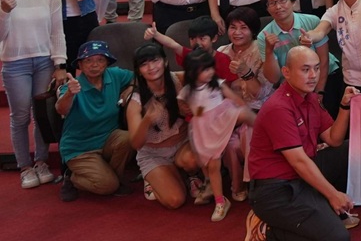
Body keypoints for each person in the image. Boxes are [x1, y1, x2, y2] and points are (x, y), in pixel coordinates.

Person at [243, 46, 358, 241]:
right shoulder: (278, 107)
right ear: (286, 72)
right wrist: (333, 195)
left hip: (300, 176)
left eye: (316, 68)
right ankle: (267, 233)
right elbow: (298, 161)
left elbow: (333, 139)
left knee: (349, 150)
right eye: (305, 69)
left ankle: (321, 208)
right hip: (276, 190)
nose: (313, 75)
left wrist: (344, 106)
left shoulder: (311, 98)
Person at [0, 0, 68, 189]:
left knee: (42, 115)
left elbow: (57, 32)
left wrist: (59, 63)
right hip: (14, 63)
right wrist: (4, 12)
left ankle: (41, 161)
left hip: (44, 61)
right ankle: (24, 166)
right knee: (20, 116)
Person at [180, 46, 254, 222]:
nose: (210, 72)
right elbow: (190, 109)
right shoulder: (187, 91)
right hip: (206, 128)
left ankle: (269, 132)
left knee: (245, 114)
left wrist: (242, 107)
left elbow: (235, 100)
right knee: (213, 166)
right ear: (192, 72)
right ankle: (220, 201)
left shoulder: (217, 83)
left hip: (223, 115)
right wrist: (198, 114)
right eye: (204, 70)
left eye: (210, 68)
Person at [55, 40, 135, 201]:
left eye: (100, 60)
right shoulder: (73, 85)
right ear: (80, 65)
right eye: (88, 60)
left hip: (107, 139)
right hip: (80, 148)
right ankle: (72, 177)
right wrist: (70, 93)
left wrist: (131, 88)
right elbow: (61, 109)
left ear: (107, 63)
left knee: (129, 138)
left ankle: (111, 178)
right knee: (107, 186)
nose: (94, 65)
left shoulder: (115, 75)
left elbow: (138, 76)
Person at [125, 41, 197, 210]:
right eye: (144, 64)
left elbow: (209, 77)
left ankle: (191, 174)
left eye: (155, 60)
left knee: (191, 161)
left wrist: (193, 109)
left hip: (183, 143)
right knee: (175, 200)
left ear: (165, 61)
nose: (151, 67)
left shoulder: (179, 79)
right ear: (139, 71)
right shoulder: (135, 101)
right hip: (153, 153)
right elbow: (135, 143)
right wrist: (147, 120)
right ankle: (153, 178)